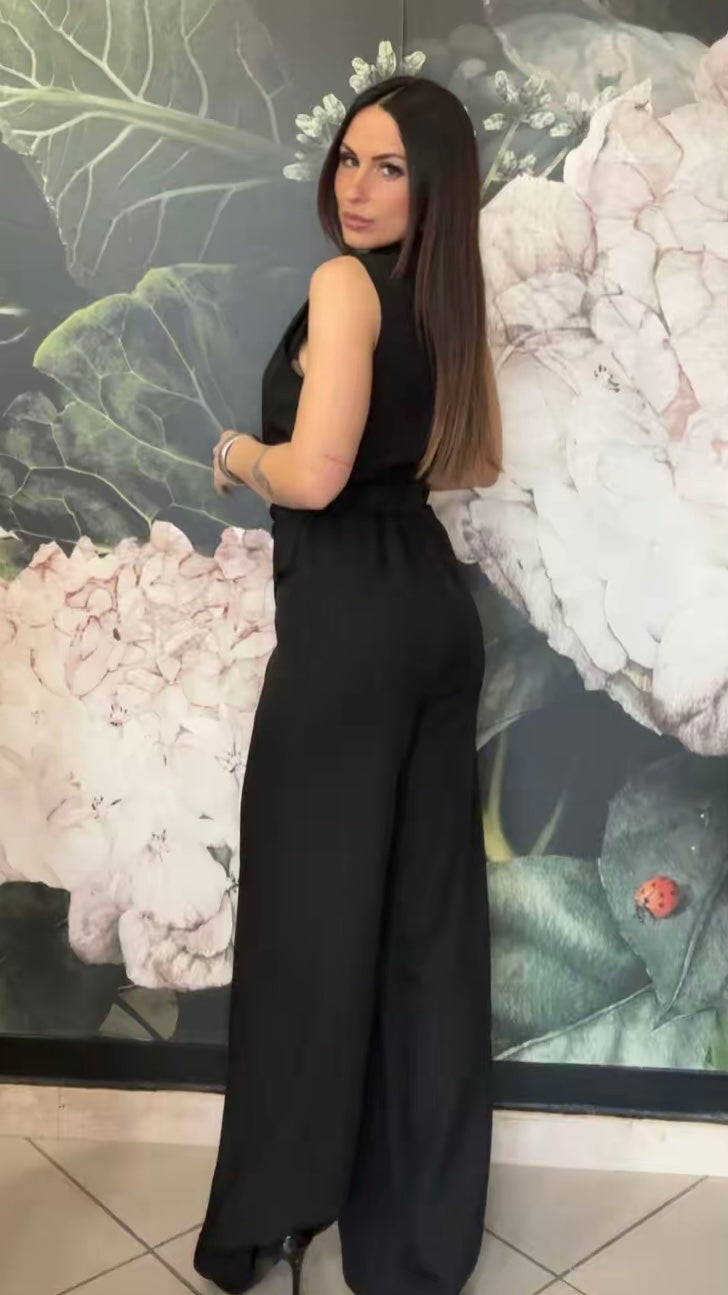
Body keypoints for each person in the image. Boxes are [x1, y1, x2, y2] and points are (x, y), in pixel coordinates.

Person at [194, 72, 502, 1295]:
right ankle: (416, 1246)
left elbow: (314, 476)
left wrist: (237, 450)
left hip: (349, 628)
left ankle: (270, 1216)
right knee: (425, 935)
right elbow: (468, 459)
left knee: (306, 931)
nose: (357, 187)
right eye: (349, 159)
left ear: (432, 191)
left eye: (389, 168)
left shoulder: (344, 288)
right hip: (431, 614)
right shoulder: (447, 300)